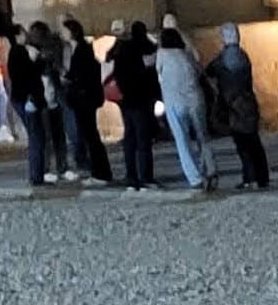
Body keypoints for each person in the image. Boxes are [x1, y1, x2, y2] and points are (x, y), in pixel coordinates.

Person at [203, 26, 270, 192]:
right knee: (254, 141)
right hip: (248, 103)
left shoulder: (225, 58)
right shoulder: (243, 56)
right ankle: (262, 177)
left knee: (243, 144)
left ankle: (250, 177)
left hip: (234, 106)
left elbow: (209, 71)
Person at [152, 25, 212, 191]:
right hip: (195, 99)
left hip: (175, 102)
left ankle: (195, 178)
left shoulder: (162, 55)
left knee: (182, 140)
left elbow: (158, 72)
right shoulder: (186, 54)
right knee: (202, 136)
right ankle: (210, 169)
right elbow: (199, 71)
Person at [106, 24, 162, 190]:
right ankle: (145, 176)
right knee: (143, 140)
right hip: (140, 99)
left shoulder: (120, 50)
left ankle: (131, 176)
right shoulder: (143, 49)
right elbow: (150, 72)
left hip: (126, 101)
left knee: (130, 139)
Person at [59, 21, 111, 188]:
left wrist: (67, 79)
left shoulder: (82, 50)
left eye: (65, 30)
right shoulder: (80, 50)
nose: (62, 33)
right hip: (83, 98)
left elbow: (81, 75)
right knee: (89, 135)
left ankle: (100, 173)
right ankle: (99, 171)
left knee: (91, 136)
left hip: (84, 99)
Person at [6, 24, 58, 186]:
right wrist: (39, 61)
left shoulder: (16, 52)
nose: (26, 35)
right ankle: (36, 176)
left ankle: (38, 174)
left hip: (25, 98)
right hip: (28, 99)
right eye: (23, 32)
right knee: (36, 137)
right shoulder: (19, 52)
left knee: (38, 136)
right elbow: (28, 75)